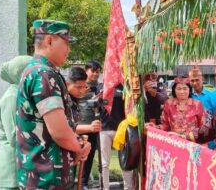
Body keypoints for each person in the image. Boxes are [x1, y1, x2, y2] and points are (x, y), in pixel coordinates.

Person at [16, 19, 91, 189]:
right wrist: (78, 148)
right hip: (46, 178)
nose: (69, 49)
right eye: (66, 43)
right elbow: (59, 131)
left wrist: (77, 141)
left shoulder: (36, 70)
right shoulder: (43, 74)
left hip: (42, 175)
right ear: (49, 40)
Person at [0, 55, 32, 190]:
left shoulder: (20, 95)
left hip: (20, 167)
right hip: (11, 172)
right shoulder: (12, 98)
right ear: (21, 74)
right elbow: (14, 137)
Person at [100, 84, 135, 190]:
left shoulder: (126, 86)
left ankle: (128, 187)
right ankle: (104, 187)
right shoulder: (102, 87)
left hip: (122, 129)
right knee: (104, 163)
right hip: (104, 129)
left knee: (126, 160)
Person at [77, 61, 103, 189]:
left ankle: (83, 183)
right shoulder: (80, 85)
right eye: (93, 71)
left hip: (94, 126)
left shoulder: (99, 87)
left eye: (98, 72)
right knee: (75, 154)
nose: (96, 74)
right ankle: (72, 182)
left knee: (89, 155)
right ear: (86, 70)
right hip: (80, 126)